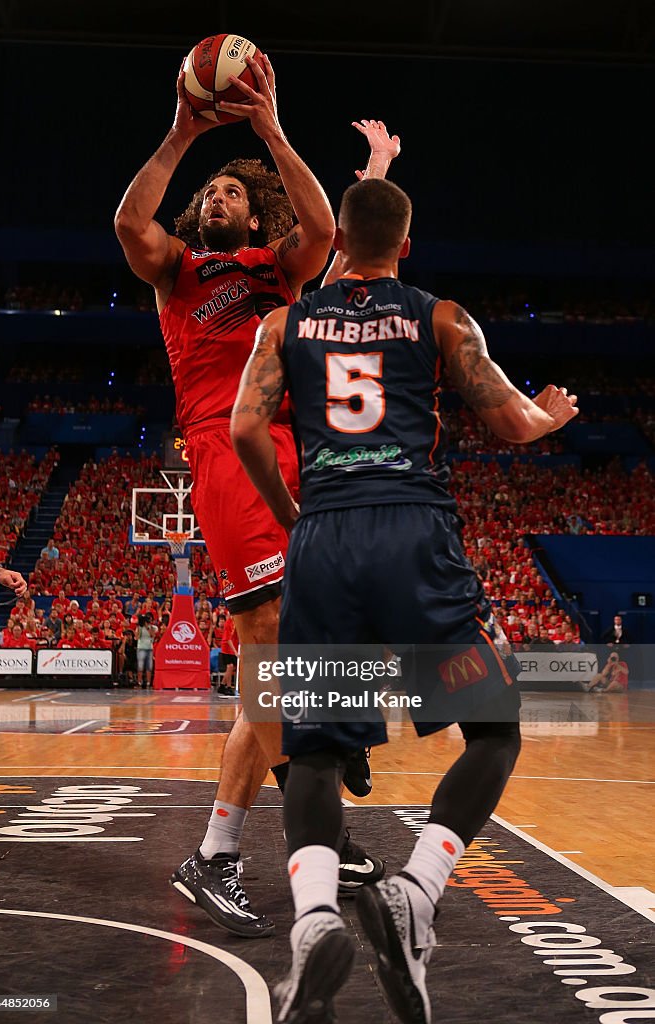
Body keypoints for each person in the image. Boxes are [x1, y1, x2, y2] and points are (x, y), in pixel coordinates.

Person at [231, 177, 580, 1022]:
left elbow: (244, 427)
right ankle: (415, 893)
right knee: (493, 732)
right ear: (405, 246)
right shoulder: (440, 318)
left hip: (325, 541)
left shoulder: (285, 323)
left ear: (338, 243)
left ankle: (314, 926)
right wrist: (552, 417)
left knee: (311, 749)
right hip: (414, 540)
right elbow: (512, 420)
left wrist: (295, 515)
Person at [115, 48, 389, 934]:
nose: (217, 198)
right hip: (226, 450)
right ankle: (323, 827)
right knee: (267, 639)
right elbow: (129, 223)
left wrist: (270, 128)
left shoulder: (278, 268)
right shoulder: (177, 274)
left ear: (252, 208)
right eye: (211, 195)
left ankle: (220, 852)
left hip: (293, 451)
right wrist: (181, 131)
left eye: (233, 193)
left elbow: (324, 229)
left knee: (285, 656)